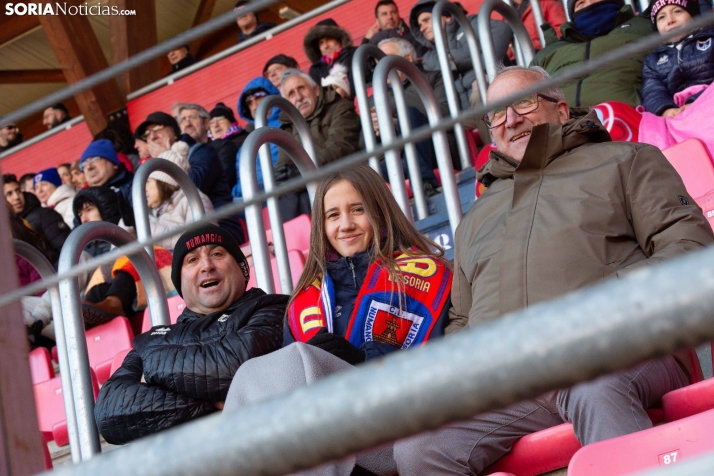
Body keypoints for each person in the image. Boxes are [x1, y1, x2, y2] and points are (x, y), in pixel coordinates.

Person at [392, 65, 714, 475]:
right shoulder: (477, 217)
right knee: (420, 447)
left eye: (523, 102)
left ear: (561, 110)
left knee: (592, 384)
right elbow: (461, 321)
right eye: (496, 114)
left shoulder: (626, 160)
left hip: (620, 348)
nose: (510, 120)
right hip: (511, 379)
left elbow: (690, 248)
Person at [94, 224, 288, 444]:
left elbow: (233, 367)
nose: (206, 265)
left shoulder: (274, 308)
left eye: (217, 254)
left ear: (242, 268)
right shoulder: (154, 338)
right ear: (180, 282)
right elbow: (109, 412)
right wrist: (214, 401)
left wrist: (151, 369)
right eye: (192, 260)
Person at [284, 164, 451, 360]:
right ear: (322, 226)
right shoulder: (302, 302)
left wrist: (362, 360)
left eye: (357, 210)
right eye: (333, 215)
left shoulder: (429, 276)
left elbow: (445, 361)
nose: (345, 225)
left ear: (380, 214)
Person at [136, 111, 245, 244]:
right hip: (180, 237)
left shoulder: (201, 151)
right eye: (147, 134)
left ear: (175, 131)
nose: (152, 136)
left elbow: (193, 187)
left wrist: (166, 157)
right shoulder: (150, 167)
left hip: (220, 232)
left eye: (157, 129)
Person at [531, 0, 654, 107]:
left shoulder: (646, 26)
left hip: (627, 122)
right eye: (580, 3)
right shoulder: (548, 52)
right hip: (562, 129)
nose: (589, 4)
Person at [277, 69, 362, 220]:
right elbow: (283, 168)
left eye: (301, 88)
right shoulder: (287, 127)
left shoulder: (340, 107)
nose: (298, 97)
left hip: (344, 176)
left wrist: (300, 173)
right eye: (291, 94)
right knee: (288, 198)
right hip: (311, 185)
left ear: (316, 90)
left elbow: (338, 150)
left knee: (302, 198)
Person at [409, 0, 512, 109]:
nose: (422, 28)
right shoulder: (429, 59)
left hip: (493, 92)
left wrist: (486, 72)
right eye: (420, 25)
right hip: (461, 112)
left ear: (447, 17)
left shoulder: (471, 25)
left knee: (480, 96)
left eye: (426, 20)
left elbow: (503, 30)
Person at [642, 0, 712, 116]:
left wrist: (696, 101)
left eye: (677, 11)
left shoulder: (710, 40)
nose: (670, 20)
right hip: (678, 112)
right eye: (661, 17)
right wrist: (666, 109)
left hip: (708, 101)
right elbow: (652, 92)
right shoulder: (652, 61)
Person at [145, 141, 214, 251]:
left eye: (148, 182)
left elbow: (196, 241)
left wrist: (144, 226)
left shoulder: (196, 201)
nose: (144, 188)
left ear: (163, 182)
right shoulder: (152, 211)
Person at [4, 174, 70, 265]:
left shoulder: (44, 215)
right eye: (9, 194)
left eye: (18, 191)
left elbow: (67, 249)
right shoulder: (9, 226)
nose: (16, 197)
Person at [233, 77, 282, 199]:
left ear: (272, 97)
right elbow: (241, 183)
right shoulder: (246, 145)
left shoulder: (288, 126)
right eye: (249, 103)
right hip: (257, 199)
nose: (254, 106)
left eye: (258, 97)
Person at [79, 138, 135, 227]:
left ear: (114, 164)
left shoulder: (133, 186)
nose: (89, 166)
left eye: (95, 159)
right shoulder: (82, 199)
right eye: (84, 164)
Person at [304, 19, 358, 98]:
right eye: (321, 43)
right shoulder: (315, 70)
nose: (325, 46)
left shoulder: (356, 53)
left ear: (338, 38)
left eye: (329, 39)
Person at [363, 0, 428, 56]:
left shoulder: (415, 36)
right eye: (384, 14)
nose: (390, 17)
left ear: (398, 15)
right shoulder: (373, 42)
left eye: (393, 12)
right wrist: (366, 40)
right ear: (377, 20)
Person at [208, 102, 247, 191]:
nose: (216, 125)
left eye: (220, 120)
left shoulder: (245, 139)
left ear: (232, 122)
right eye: (212, 122)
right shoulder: (207, 148)